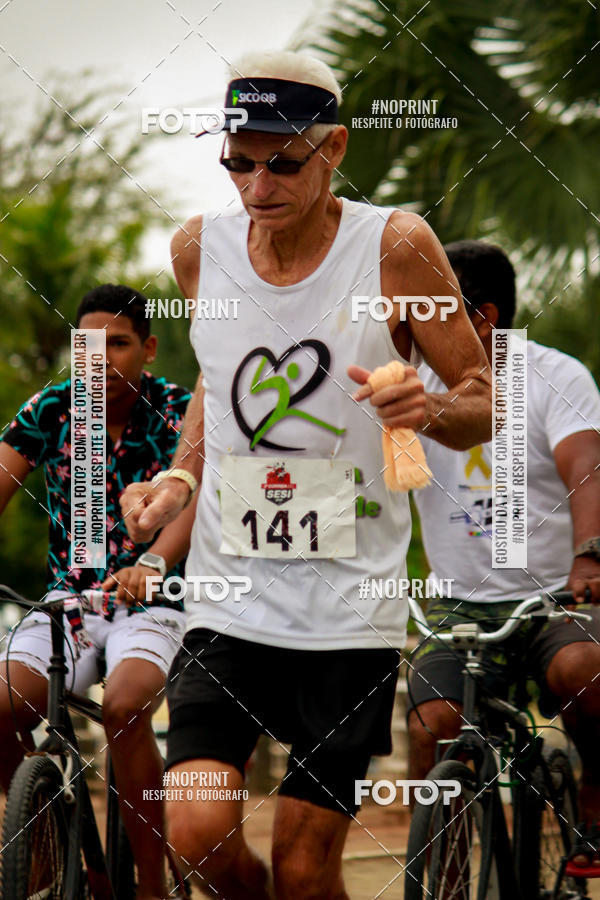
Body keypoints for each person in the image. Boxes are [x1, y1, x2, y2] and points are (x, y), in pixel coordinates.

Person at [120, 51, 492, 899]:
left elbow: (481, 398)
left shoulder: (395, 246)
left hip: (348, 611)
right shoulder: (196, 250)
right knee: (197, 832)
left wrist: (423, 413)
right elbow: (218, 387)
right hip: (230, 595)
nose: (258, 185)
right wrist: (177, 479)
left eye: (283, 162)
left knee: (300, 866)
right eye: (238, 163)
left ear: (335, 149)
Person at [408, 240, 600, 874]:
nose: (417, 324)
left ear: (482, 316)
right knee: (432, 720)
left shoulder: (556, 376)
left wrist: (589, 559)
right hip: (457, 606)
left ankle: (594, 800)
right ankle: (447, 874)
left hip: (552, 599)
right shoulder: (414, 386)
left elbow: (586, 471)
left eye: (434, 308)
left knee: (582, 668)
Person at [0, 284, 195, 900]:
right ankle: (48, 849)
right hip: (70, 605)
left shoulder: (181, 411)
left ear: (149, 349)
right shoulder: (52, 409)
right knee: (1, 708)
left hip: (155, 602)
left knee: (126, 707)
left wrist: (156, 561)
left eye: (119, 343)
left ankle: (153, 887)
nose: (102, 358)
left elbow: (195, 503)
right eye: (88, 345)